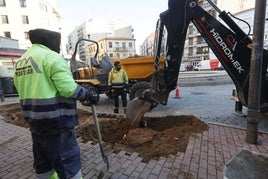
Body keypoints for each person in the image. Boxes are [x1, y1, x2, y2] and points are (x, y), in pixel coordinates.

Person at [14, 28, 99, 179]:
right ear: (51, 41)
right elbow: (68, 89)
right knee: (69, 166)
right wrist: (88, 95)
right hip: (57, 125)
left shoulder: (21, 61)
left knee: (44, 166)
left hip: (35, 124)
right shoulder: (51, 57)